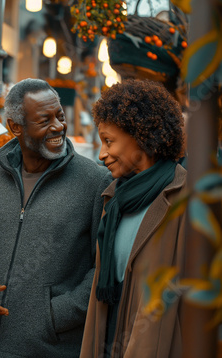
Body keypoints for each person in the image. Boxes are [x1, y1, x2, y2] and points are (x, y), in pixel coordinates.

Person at [0, 78, 112, 357]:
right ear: (15, 127)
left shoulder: (95, 182)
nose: (58, 126)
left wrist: (53, 315)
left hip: (50, 349)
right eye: (45, 120)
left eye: (60, 116)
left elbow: (102, 267)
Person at [80, 79, 187, 358]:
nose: (102, 154)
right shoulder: (113, 200)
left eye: (109, 141)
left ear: (140, 135)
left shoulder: (184, 198)